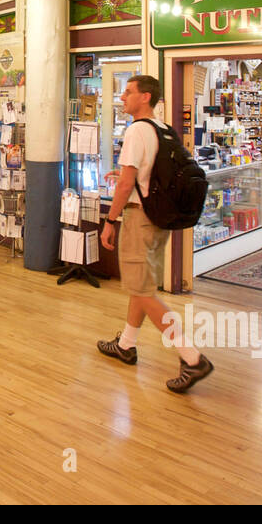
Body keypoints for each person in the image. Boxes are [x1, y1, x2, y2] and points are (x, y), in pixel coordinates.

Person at [97, 75, 214, 394]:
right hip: (160, 217)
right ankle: (126, 344)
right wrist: (125, 178)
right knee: (142, 285)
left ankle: (191, 358)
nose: (123, 97)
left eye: (129, 92)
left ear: (145, 97)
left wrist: (110, 220)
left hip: (139, 218)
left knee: (145, 291)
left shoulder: (136, 130)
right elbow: (145, 174)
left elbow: (125, 184)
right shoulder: (164, 129)